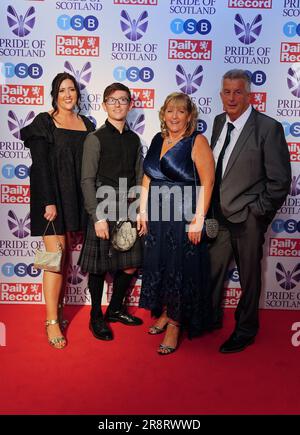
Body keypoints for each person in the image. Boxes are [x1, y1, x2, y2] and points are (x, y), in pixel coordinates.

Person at [208, 69, 291, 353]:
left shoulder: (268, 128)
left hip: (247, 218)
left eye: (238, 92)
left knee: (249, 278)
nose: (232, 98)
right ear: (221, 95)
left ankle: (245, 330)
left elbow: (280, 181)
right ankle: (210, 318)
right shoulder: (219, 122)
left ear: (249, 95)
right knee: (213, 270)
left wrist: (258, 213)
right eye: (227, 92)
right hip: (217, 216)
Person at [20, 72, 95, 349]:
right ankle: (51, 321)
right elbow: (39, 165)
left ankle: (59, 311)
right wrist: (48, 202)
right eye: (62, 90)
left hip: (75, 197)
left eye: (72, 90)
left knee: (63, 260)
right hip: (50, 199)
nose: (68, 95)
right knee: (53, 259)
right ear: (54, 93)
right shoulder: (44, 122)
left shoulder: (86, 123)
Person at [138, 92, 215, 355]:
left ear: (189, 116)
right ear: (163, 114)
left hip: (184, 215)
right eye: (170, 110)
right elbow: (148, 176)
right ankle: (166, 312)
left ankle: (175, 323)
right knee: (161, 263)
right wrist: (142, 210)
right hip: (158, 216)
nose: (174, 116)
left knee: (181, 267)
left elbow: (208, 182)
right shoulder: (158, 139)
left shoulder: (197, 141)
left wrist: (198, 220)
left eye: (181, 111)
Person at [78, 82, 144, 341]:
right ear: (104, 105)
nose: (118, 104)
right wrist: (97, 217)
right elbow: (86, 180)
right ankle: (96, 315)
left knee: (129, 265)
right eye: (112, 100)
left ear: (130, 105)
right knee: (98, 268)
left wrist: (139, 210)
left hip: (128, 207)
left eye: (123, 100)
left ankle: (115, 309)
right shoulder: (95, 138)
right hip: (103, 208)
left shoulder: (134, 138)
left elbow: (139, 176)